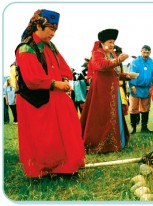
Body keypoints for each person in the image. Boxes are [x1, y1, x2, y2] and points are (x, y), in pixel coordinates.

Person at [15, 9, 85, 178]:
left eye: (55, 30)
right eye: (51, 29)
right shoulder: (26, 48)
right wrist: (56, 84)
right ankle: (46, 168)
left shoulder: (49, 45)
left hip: (54, 94)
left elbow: (62, 66)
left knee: (67, 125)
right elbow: (32, 79)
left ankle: (65, 165)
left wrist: (65, 79)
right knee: (45, 134)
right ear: (38, 25)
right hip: (35, 100)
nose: (53, 33)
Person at [80, 28, 133, 154]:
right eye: (109, 42)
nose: (112, 45)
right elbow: (102, 66)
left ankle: (118, 142)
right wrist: (118, 60)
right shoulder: (97, 54)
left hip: (113, 90)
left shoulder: (113, 54)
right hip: (101, 90)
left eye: (113, 42)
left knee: (114, 114)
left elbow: (115, 71)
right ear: (103, 43)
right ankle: (101, 144)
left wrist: (125, 75)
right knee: (101, 116)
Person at [128, 45, 153, 134]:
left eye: (148, 52)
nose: (146, 54)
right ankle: (133, 128)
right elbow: (132, 74)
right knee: (134, 107)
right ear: (141, 51)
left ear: (150, 53)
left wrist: (152, 87)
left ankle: (144, 127)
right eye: (144, 52)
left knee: (145, 108)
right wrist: (132, 85)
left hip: (147, 88)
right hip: (136, 87)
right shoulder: (135, 62)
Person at [114, 45, 129, 116]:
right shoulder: (111, 62)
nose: (119, 56)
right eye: (118, 54)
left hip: (120, 88)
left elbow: (121, 76)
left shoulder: (120, 63)